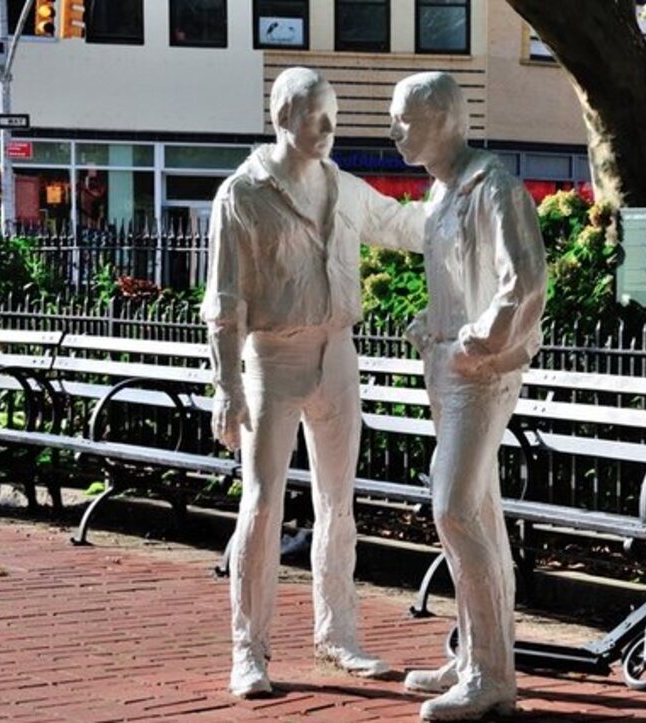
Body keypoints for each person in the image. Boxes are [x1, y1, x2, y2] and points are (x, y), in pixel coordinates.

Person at [202, 67, 425, 699]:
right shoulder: (242, 195)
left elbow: (404, 226)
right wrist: (227, 385)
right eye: (315, 117)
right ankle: (249, 649)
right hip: (273, 358)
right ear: (281, 117)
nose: (329, 129)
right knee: (263, 503)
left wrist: (465, 211)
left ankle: (338, 631)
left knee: (338, 503)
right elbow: (224, 301)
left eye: (333, 116)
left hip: (338, 354)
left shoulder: (347, 189)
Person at [387, 72, 547, 721]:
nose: (395, 132)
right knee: (476, 514)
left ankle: (489, 674)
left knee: (453, 508)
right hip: (448, 366)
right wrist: (432, 325)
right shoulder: (440, 193)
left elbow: (526, 280)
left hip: (480, 372)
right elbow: (458, 280)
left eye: (405, 119)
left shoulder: (495, 188)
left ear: (445, 118)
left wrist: (476, 342)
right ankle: (482, 657)